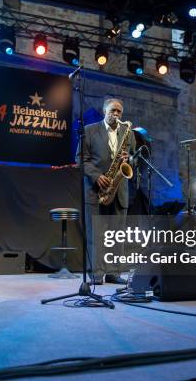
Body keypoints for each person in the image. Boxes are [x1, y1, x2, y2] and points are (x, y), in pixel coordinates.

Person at [77, 98, 136, 285]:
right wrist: (96, 176)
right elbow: (80, 159)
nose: (116, 114)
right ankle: (96, 272)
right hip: (97, 190)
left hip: (119, 190)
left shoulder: (128, 132)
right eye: (113, 111)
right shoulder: (89, 130)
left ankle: (114, 272)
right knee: (96, 234)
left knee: (116, 235)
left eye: (119, 111)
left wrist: (130, 159)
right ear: (104, 111)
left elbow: (133, 158)